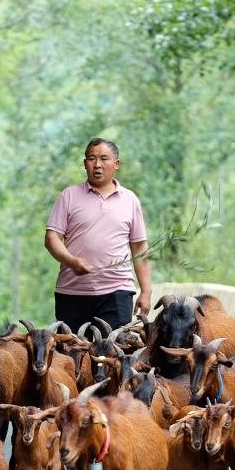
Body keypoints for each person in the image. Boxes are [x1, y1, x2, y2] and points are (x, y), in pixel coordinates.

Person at [44, 138, 151, 334]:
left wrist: (146, 291)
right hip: (72, 291)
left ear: (116, 164)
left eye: (104, 159)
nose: (98, 165)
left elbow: (140, 248)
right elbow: (51, 239)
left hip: (117, 292)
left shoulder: (130, 200)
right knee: (72, 355)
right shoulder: (68, 196)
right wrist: (72, 261)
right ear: (85, 164)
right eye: (92, 159)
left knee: (113, 355)